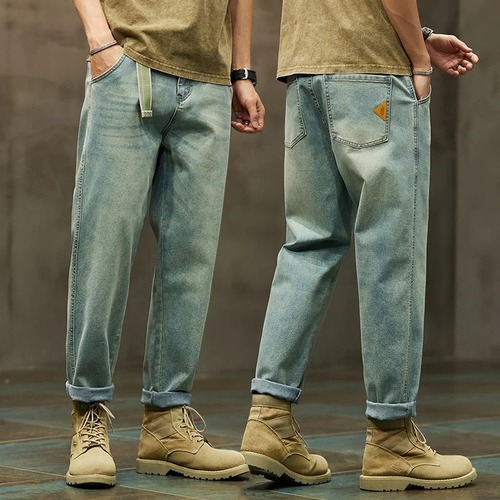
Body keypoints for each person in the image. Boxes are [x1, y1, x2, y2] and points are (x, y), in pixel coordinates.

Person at [240, 0, 479, 491]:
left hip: (305, 71)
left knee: (308, 245)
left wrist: (420, 34)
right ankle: (392, 436)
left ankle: (268, 418)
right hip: (372, 73)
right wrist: (416, 57)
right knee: (392, 250)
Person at [65, 0, 264, 488]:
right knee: (103, 250)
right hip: (127, 65)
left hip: (210, 81)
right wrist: (100, 40)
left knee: (190, 259)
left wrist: (241, 72)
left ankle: (167, 422)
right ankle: (88, 414)